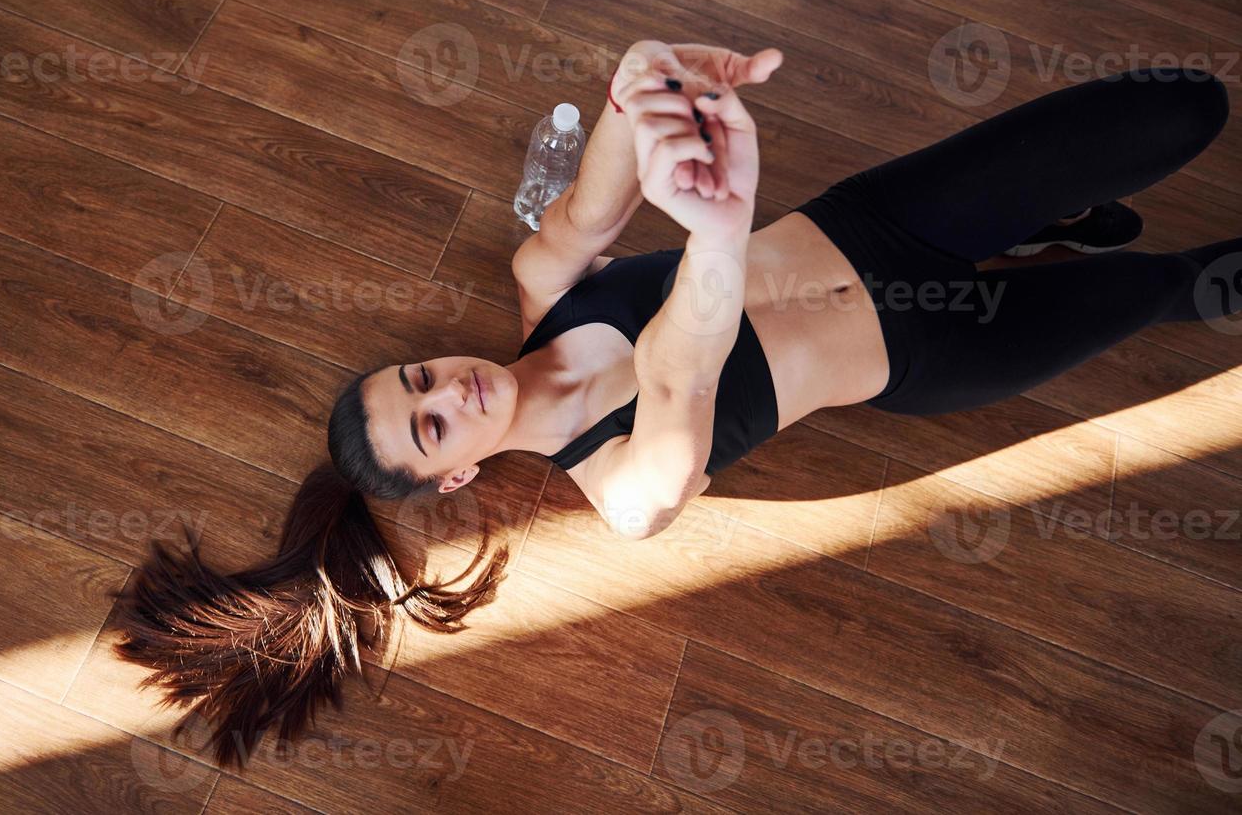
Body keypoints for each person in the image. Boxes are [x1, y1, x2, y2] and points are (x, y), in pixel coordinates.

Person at [115, 40, 1235, 767]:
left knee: (1187, 106)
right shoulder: (623, 489)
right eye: (435, 423)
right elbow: (681, 370)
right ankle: (1059, 245)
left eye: (418, 378)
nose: (447, 387)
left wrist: (637, 80)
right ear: (456, 473)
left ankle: (1047, 224)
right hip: (941, 346)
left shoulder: (542, 286)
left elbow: (599, 192)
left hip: (888, 222)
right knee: (1183, 286)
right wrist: (714, 229)